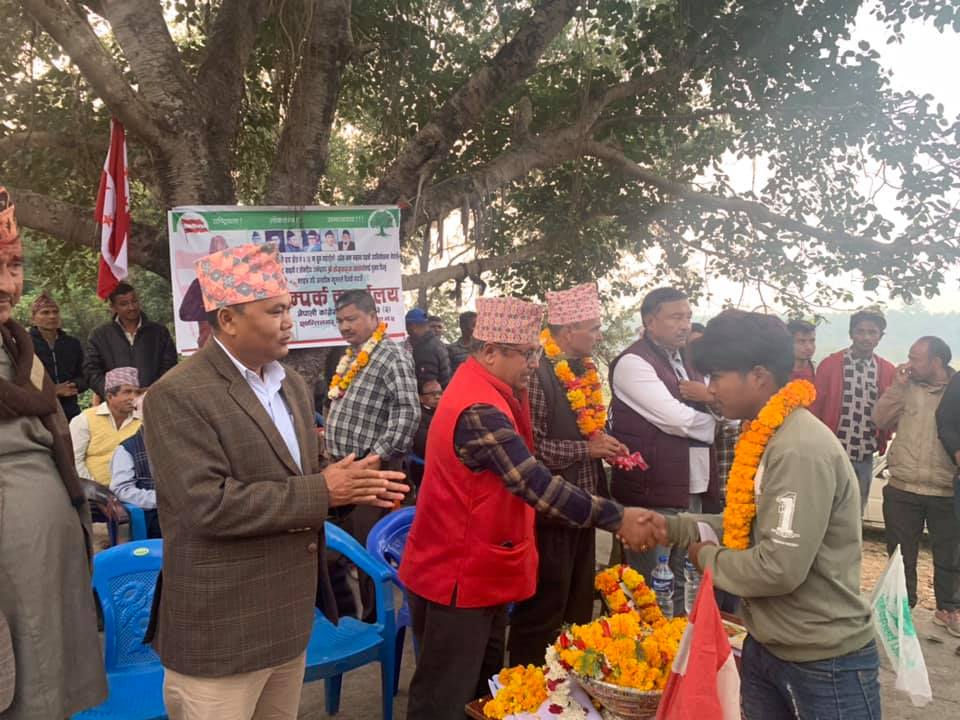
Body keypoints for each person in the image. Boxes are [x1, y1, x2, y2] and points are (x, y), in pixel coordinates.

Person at [141, 242, 408, 720]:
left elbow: (298, 479)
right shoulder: (177, 395)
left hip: (287, 621)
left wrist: (349, 487)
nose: (290, 322)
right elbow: (208, 505)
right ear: (227, 319)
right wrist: (324, 490)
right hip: (223, 631)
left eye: (289, 308)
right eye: (276, 311)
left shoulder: (291, 386)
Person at [399, 296, 656, 720]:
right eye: (526, 353)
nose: (535, 364)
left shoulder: (493, 389)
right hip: (456, 574)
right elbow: (533, 481)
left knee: (482, 689)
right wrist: (617, 516)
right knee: (443, 696)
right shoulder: (478, 408)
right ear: (489, 351)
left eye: (537, 352)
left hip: (483, 567)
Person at [633, 309, 880, 720]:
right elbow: (748, 523)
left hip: (822, 661)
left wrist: (705, 557)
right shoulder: (768, 434)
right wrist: (674, 528)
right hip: (769, 643)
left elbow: (777, 568)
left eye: (717, 376)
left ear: (759, 376)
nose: (711, 389)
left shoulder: (798, 449)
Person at [0, 186, 107, 718]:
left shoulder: (15, 342)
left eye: (14, 266)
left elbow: (48, 423)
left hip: (50, 537)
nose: (7, 284)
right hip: (14, 544)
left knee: (48, 688)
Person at [508, 283, 629, 667]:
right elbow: (531, 450)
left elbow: (584, 430)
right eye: (593, 328)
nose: (599, 336)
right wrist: (586, 449)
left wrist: (604, 444)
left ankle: (571, 681)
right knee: (545, 606)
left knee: (578, 605)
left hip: (584, 509)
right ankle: (529, 681)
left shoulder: (583, 370)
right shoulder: (539, 374)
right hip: (552, 512)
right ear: (567, 330)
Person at [608, 287, 720, 615]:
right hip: (654, 489)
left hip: (693, 486)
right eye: (675, 317)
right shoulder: (633, 362)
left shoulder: (689, 360)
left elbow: (724, 408)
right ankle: (646, 645)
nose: (685, 325)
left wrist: (711, 402)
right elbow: (675, 420)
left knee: (686, 579)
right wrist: (715, 422)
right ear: (650, 321)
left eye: (688, 316)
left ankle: (679, 644)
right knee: (649, 587)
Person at [326, 289, 420, 620]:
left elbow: (408, 411)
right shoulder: (351, 356)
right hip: (341, 469)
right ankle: (345, 619)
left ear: (373, 316)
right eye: (340, 320)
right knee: (336, 549)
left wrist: (378, 454)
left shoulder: (391, 355)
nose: (344, 326)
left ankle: (375, 623)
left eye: (351, 319)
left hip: (371, 471)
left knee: (367, 553)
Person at [875, 337, 960, 635]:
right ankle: (901, 609)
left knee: (950, 556)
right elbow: (880, 419)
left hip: (945, 487)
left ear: (936, 362)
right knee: (900, 555)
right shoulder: (906, 387)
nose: (909, 364)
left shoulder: (957, 390)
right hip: (904, 485)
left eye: (916, 358)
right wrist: (897, 388)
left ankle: (948, 610)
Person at [811, 308, 896, 513]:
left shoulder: (886, 370)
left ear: (880, 337)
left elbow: (891, 410)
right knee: (824, 508)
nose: (866, 337)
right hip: (832, 452)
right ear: (851, 334)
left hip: (865, 453)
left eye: (872, 332)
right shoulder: (831, 365)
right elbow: (815, 408)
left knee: (855, 512)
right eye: (861, 331)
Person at [83, 281, 178, 399]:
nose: (132, 307)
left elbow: (170, 366)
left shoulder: (159, 332)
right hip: (117, 404)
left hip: (153, 399)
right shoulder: (99, 335)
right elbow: (91, 371)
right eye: (124, 304)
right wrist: (112, 393)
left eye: (134, 301)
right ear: (113, 307)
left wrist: (153, 390)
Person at [69, 366, 142, 486]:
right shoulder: (85, 420)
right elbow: (74, 460)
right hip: (93, 490)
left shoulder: (142, 420)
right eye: (127, 392)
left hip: (135, 491)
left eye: (136, 392)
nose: (133, 397)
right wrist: (95, 489)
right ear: (109, 396)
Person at [28, 292, 86, 420]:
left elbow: (84, 375)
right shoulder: (25, 344)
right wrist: (53, 390)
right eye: (45, 312)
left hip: (70, 409)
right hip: (37, 412)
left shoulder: (72, 343)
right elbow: (21, 380)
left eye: (55, 312)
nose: (52, 316)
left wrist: (73, 385)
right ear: (33, 319)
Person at [109, 425, 162, 538]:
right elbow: (121, 490)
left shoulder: (181, 444)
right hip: (153, 513)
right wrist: (161, 499)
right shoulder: (127, 449)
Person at [179, 235, 229, 349]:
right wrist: (208, 308)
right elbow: (184, 313)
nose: (219, 259)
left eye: (223, 254)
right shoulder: (199, 284)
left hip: (236, 345)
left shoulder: (238, 283)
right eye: (215, 254)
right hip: (209, 345)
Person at [409, 377, 443, 490]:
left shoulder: (445, 411)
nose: (437, 397)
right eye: (432, 394)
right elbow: (423, 444)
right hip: (423, 466)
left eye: (440, 393)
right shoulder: (418, 416)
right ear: (421, 398)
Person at [406, 307, 452, 387]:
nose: (406, 330)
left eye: (407, 326)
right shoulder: (436, 343)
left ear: (412, 326)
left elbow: (428, 384)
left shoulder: (425, 348)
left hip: (432, 393)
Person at [447, 310, 477, 374]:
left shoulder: (482, 348)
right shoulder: (451, 349)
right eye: (474, 325)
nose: (477, 329)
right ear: (463, 326)